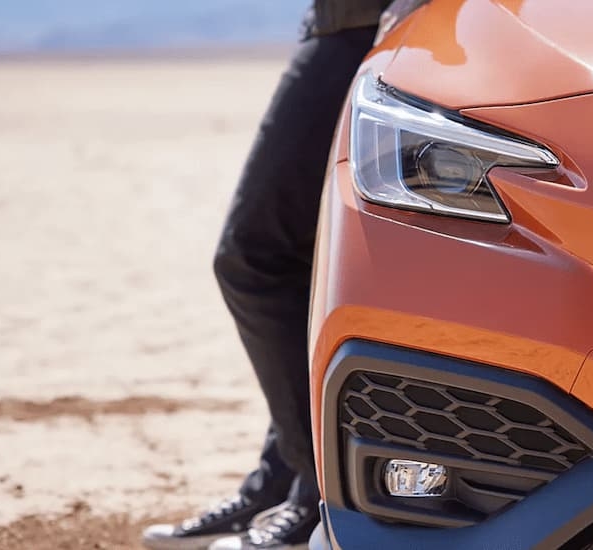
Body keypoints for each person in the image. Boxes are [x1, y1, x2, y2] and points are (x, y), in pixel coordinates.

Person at [141, 1, 391, 549]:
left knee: (251, 255)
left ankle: (317, 487)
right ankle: (280, 477)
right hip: (345, 23)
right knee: (305, 261)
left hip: (377, 25)